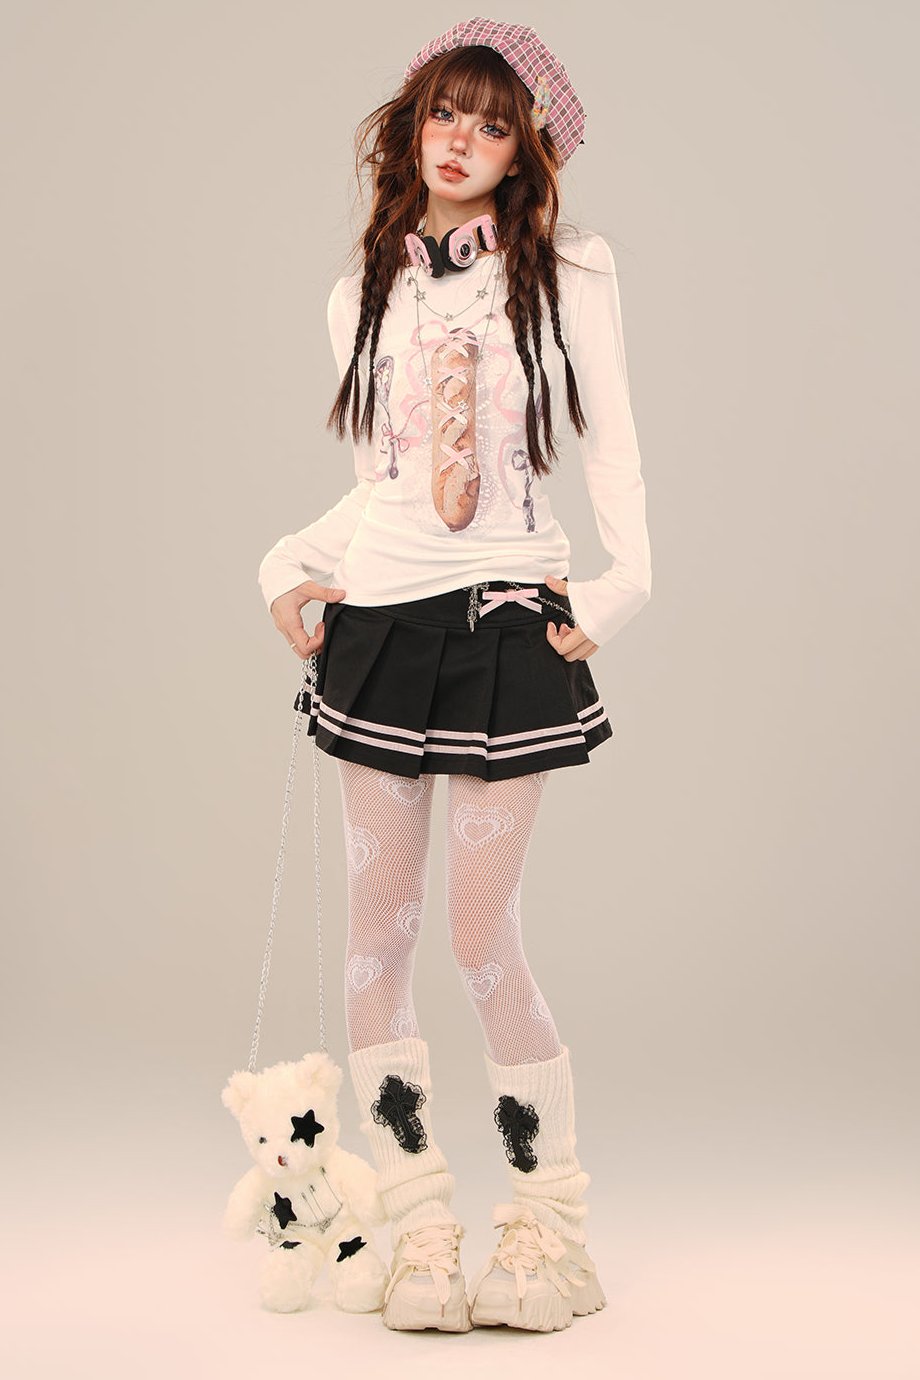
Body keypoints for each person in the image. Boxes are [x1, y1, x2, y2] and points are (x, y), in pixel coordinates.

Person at [257, 17, 651, 1334]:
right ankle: (420, 1219)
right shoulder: (362, 293)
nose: (462, 140)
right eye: (444, 113)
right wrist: (286, 565)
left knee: (481, 932)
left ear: (525, 150)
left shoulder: (569, 273)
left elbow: (613, 450)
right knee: (378, 936)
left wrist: (619, 587)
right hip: (378, 625)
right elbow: (381, 486)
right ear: (411, 125)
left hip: (504, 624)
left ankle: (549, 1224)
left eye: (491, 123)